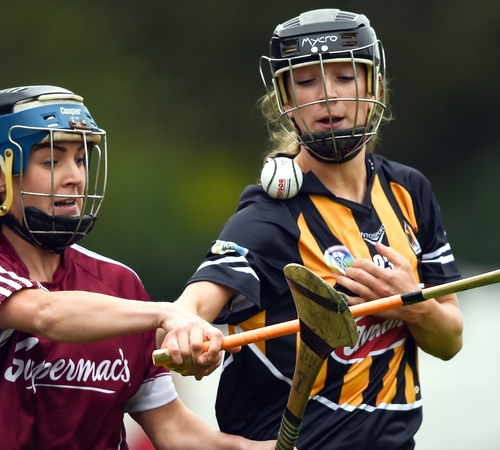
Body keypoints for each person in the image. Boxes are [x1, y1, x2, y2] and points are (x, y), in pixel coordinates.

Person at [159, 8, 464, 450]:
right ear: (285, 99)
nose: (327, 96)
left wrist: (409, 304)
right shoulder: (268, 218)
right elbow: (188, 310)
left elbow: (450, 339)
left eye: (344, 77)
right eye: (306, 81)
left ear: (373, 85)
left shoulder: (409, 191)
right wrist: (184, 333)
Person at [0, 85, 277, 450]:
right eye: (52, 161)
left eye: (81, 159)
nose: (75, 177)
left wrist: (252, 449)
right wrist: (167, 315)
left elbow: (173, 429)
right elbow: (46, 313)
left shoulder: (119, 284)